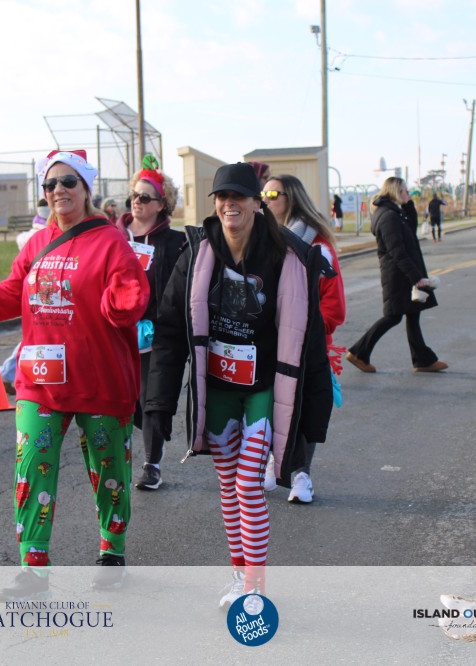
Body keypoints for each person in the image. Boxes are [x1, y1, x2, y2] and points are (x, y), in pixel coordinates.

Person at [0, 149, 148, 595]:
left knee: (109, 472)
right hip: (41, 380)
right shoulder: (38, 244)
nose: (58, 190)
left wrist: (126, 301)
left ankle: (112, 553)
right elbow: (6, 298)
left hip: (99, 379)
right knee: (31, 470)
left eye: (68, 181)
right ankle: (34, 568)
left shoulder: (110, 241)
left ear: (85, 187)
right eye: (50, 184)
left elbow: (128, 297)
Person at [143, 162, 333, 608]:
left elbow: (309, 340)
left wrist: (315, 412)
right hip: (219, 389)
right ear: (216, 204)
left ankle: (255, 588)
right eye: (223, 197)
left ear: (255, 203)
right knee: (228, 486)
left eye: (239, 196)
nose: (230, 204)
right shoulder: (197, 256)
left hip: (265, 387)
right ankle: (239, 576)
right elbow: (170, 331)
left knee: (249, 484)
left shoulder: (286, 256)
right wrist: (158, 403)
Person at [262, 174, 346, 504]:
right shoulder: (264, 240)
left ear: (292, 199)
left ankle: (302, 475)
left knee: (304, 410)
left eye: (273, 194)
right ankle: (275, 461)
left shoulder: (317, 247)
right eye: (263, 193)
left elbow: (334, 306)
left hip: (308, 347)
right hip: (270, 344)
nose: (265, 199)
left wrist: (303, 331)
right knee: (270, 405)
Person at [115, 155, 185, 492]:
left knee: (152, 399)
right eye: (134, 195)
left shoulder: (173, 242)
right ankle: (123, 454)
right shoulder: (112, 236)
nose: (137, 202)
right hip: (116, 332)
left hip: (155, 333)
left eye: (145, 197)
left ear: (161, 203)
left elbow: (177, 287)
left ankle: (151, 464)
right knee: (126, 402)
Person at [346, 177, 446, 374]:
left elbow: (411, 231)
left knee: (413, 313)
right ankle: (358, 352)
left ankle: (423, 360)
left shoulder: (394, 212)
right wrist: (416, 277)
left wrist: (408, 205)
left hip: (403, 273)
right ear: (396, 192)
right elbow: (397, 251)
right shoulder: (388, 217)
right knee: (393, 316)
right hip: (398, 276)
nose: (408, 194)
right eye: (405, 191)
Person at [0, 199, 53, 395]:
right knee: (35, 339)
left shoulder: (32, 234)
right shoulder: (39, 235)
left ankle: (8, 372)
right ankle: (8, 373)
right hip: (42, 290)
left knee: (35, 338)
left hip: (41, 290)